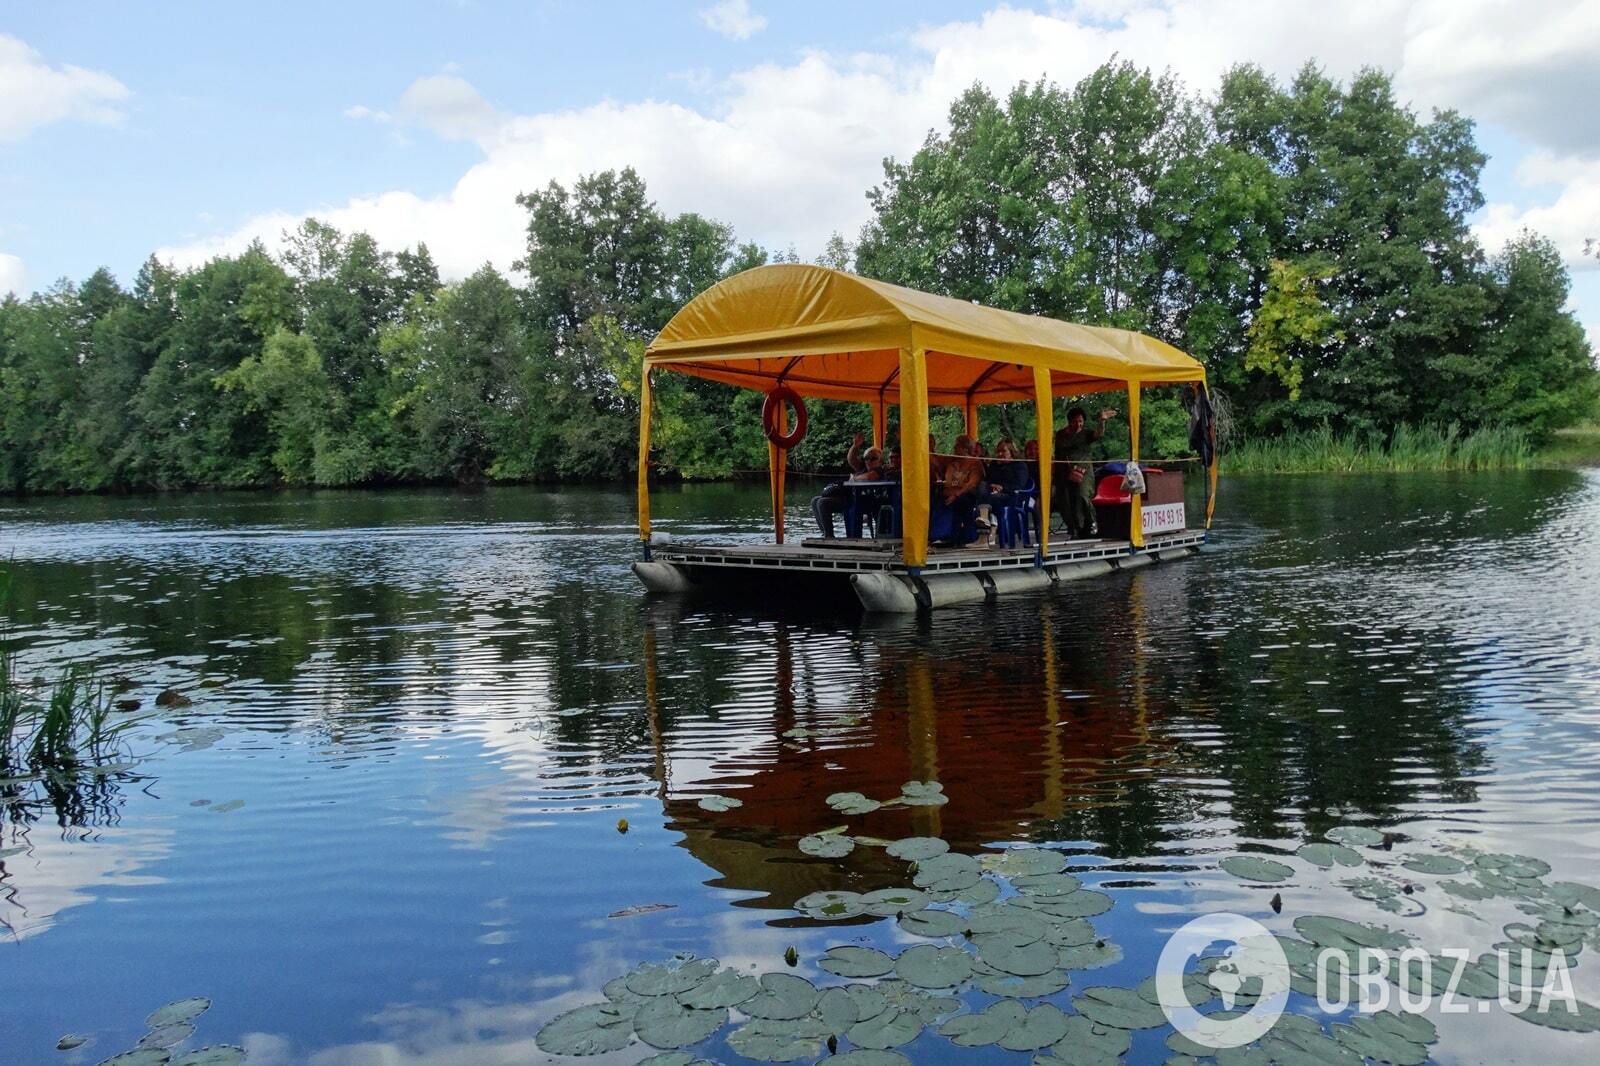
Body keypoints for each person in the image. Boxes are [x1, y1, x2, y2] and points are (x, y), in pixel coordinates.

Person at [1053, 405, 1116, 538]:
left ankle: (1092, 522)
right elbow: (1058, 454)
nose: (1078, 424)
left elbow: (1098, 433)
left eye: (1080, 421)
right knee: (1065, 500)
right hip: (1066, 471)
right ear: (1069, 421)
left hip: (1084, 471)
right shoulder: (1060, 435)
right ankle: (1075, 528)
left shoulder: (1086, 433)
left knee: (1082, 495)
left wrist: (1102, 421)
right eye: (1075, 421)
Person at [811, 433, 883, 538]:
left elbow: (869, 477)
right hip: (850, 499)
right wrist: (855, 446)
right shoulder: (863, 467)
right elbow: (851, 459)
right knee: (815, 500)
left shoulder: (879, 470)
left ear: (880, 460)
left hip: (863, 501)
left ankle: (829, 536)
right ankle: (825, 532)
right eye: (867, 458)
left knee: (822, 502)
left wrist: (854, 479)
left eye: (873, 458)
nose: (869, 461)